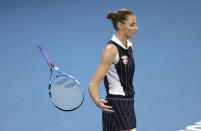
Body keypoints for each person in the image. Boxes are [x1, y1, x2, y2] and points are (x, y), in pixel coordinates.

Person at [88, 9, 138, 131]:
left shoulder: (130, 46)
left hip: (129, 101)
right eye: (132, 25)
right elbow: (93, 83)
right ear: (121, 26)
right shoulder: (111, 50)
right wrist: (97, 101)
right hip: (117, 103)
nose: (136, 28)